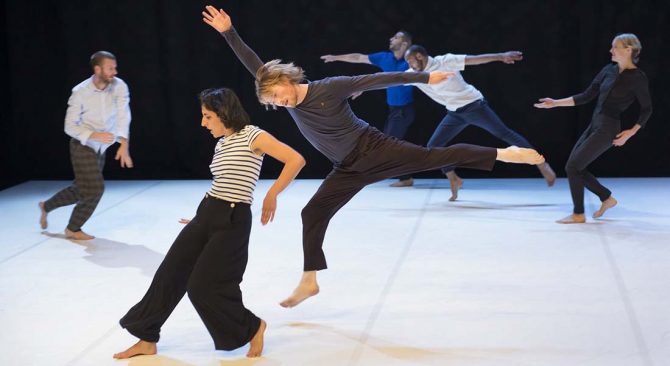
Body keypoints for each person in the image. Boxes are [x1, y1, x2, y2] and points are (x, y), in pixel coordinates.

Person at [203, 5, 544, 308]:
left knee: (434, 156)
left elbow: (381, 78)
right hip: (347, 167)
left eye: (278, 95)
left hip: (374, 148)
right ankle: (310, 280)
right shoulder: (280, 94)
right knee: (312, 212)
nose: (280, 103)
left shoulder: (330, 88)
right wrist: (228, 33)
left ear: (285, 79)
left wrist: (423, 76)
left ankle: (504, 152)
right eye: (273, 103)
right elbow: (254, 65)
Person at [113, 88, 305, 359]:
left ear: (224, 113)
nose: (203, 123)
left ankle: (253, 327)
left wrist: (272, 194)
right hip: (207, 212)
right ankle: (146, 337)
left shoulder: (253, 135)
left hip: (233, 219)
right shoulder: (222, 142)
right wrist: (200, 217)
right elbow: (222, 184)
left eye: (208, 116)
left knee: (202, 286)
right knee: (169, 275)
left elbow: (295, 159)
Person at [404, 45, 556, 201]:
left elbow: (474, 59)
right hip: (455, 113)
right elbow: (392, 78)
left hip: (474, 106)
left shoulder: (445, 61)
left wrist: (501, 55)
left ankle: (541, 164)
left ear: (420, 56)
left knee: (504, 133)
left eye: (410, 60)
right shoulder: (413, 75)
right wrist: (376, 81)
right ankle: (453, 178)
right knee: (433, 147)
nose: (409, 65)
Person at [534, 33, 652, 224]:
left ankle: (579, 214)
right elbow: (586, 95)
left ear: (628, 50)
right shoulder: (608, 70)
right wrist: (555, 103)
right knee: (574, 167)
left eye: (615, 47)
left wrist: (631, 132)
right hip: (595, 124)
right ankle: (606, 198)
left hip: (608, 128)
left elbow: (647, 109)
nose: (611, 50)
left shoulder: (638, 78)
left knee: (573, 167)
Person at [38, 51, 133, 240]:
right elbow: (69, 125)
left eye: (115, 67)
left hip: (102, 146)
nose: (114, 71)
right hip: (83, 144)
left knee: (82, 190)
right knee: (96, 189)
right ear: (97, 69)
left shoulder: (119, 86)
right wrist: (94, 135)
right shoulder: (80, 91)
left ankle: (46, 206)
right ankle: (73, 228)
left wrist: (124, 144)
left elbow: (124, 114)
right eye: (110, 68)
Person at [321, 30, 416, 187]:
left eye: (396, 37)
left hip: (404, 110)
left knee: (390, 143)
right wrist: (336, 57)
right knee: (393, 143)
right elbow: (359, 57)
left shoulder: (411, 60)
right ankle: (406, 176)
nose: (391, 39)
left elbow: (408, 77)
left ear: (405, 44)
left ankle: (398, 175)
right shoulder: (384, 57)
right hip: (394, 110)